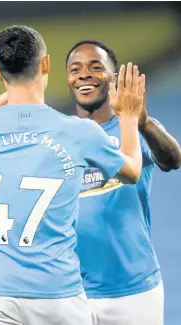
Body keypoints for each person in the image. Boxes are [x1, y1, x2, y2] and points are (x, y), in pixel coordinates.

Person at [0, 25, 145, 325]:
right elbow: (132, 172)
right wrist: (128, 117)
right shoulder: (78, 132)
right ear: (46, 64)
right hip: (58, 294)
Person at [65, 40, 181, 325]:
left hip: (134, 290)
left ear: (113, 79)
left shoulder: (132, 128)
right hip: (71, 292)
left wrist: (143, 124)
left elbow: (173, 159)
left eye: (95, 67)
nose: (83, 74)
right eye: (75, 68)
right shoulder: (60, 135)